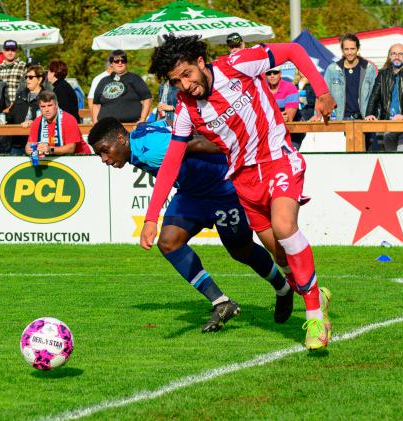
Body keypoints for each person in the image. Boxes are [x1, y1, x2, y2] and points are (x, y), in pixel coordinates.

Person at [143, 34, 336, 351]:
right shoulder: (185, 110)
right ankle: (315, 292)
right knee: (281, 254)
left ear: (201, 62)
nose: (185, 85)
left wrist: (322, 91)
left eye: (187, 75)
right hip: (244, 181)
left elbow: (293, 50)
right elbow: (170, 163)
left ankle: (316, 318)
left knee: (285, 227)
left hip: (278, 159)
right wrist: (153, 217)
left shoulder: (238, 64)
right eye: (177, 81)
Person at [88, 117, 294, 332]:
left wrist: (239, 144)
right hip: (192, 193)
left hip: (222, 189)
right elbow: (166, 127)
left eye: (105, 150)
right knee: (168, 242)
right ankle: (222, 303)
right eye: (99, 154)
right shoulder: (138, 135)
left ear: (120, 139)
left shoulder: (149, 149)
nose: (104, 158)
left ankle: (283, 288)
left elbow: (193, 143)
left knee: (242, 251)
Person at [365, 43, 403, 152]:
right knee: (390, 160)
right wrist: (369, 114)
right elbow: (374, 96)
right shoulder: (382, 74)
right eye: (394, 53)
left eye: (401, 54)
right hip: (388, 125)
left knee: (402, 156)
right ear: (390, 56)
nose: (397, 56)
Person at [324, 33, 377, 121]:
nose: (349, 52)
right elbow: (324, 96)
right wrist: (319, 115)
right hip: (340, 120)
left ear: (358, 48)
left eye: (352, 49)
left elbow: (375, 96)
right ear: (342, 50)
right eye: (346, 49)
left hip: (364, 119)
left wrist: (372, 114)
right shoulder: (332, 69)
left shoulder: (368, 68)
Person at [92, 50, 152, 124]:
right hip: (106, 126)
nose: (120, 63)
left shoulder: (134, 78)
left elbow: (147, 99)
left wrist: (143, 119)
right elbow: (96, 104)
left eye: (123, 60)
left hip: (130, 124)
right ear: (111, 64)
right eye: (117, 61)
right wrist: (95, 123)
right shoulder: (104, 81)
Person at [24, 90, 91, 156]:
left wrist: (50, 149)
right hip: (54, 159)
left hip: (80, 157)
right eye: (43, 106)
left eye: (49, 105)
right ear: (39, 107)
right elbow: (30, 144)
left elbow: (71, 148)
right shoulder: (37, 122)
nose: (46, 110)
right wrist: (28, 149)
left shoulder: (69, 120)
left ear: (56, 105)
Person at [6, 65, 44, 154]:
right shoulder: (20, 95)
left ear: (39, 79)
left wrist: (33, 122)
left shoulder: (47, 96)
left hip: (37, 145)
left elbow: (51, 118)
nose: (27, 80)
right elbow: (11, 115)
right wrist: (1, 119)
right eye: (26, 77)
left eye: (30, 77)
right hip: (17, 143)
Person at [266, 67, 305, 149]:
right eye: (269, 73)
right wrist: (278, 116)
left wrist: (269, 116)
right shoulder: (262, 89)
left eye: (275, 72)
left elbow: (288, 119)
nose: (272, 75)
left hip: (293, 131)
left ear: (280, 74)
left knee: (289, 156)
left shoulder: (290, 88)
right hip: (271, 131)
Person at [0, 40, 26, 105]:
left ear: (17, 51)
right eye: (7, 50)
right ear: (3, 51)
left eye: (13, 50)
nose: (10, 52)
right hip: (1, 108)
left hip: (18, 106)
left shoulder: (23, 66)